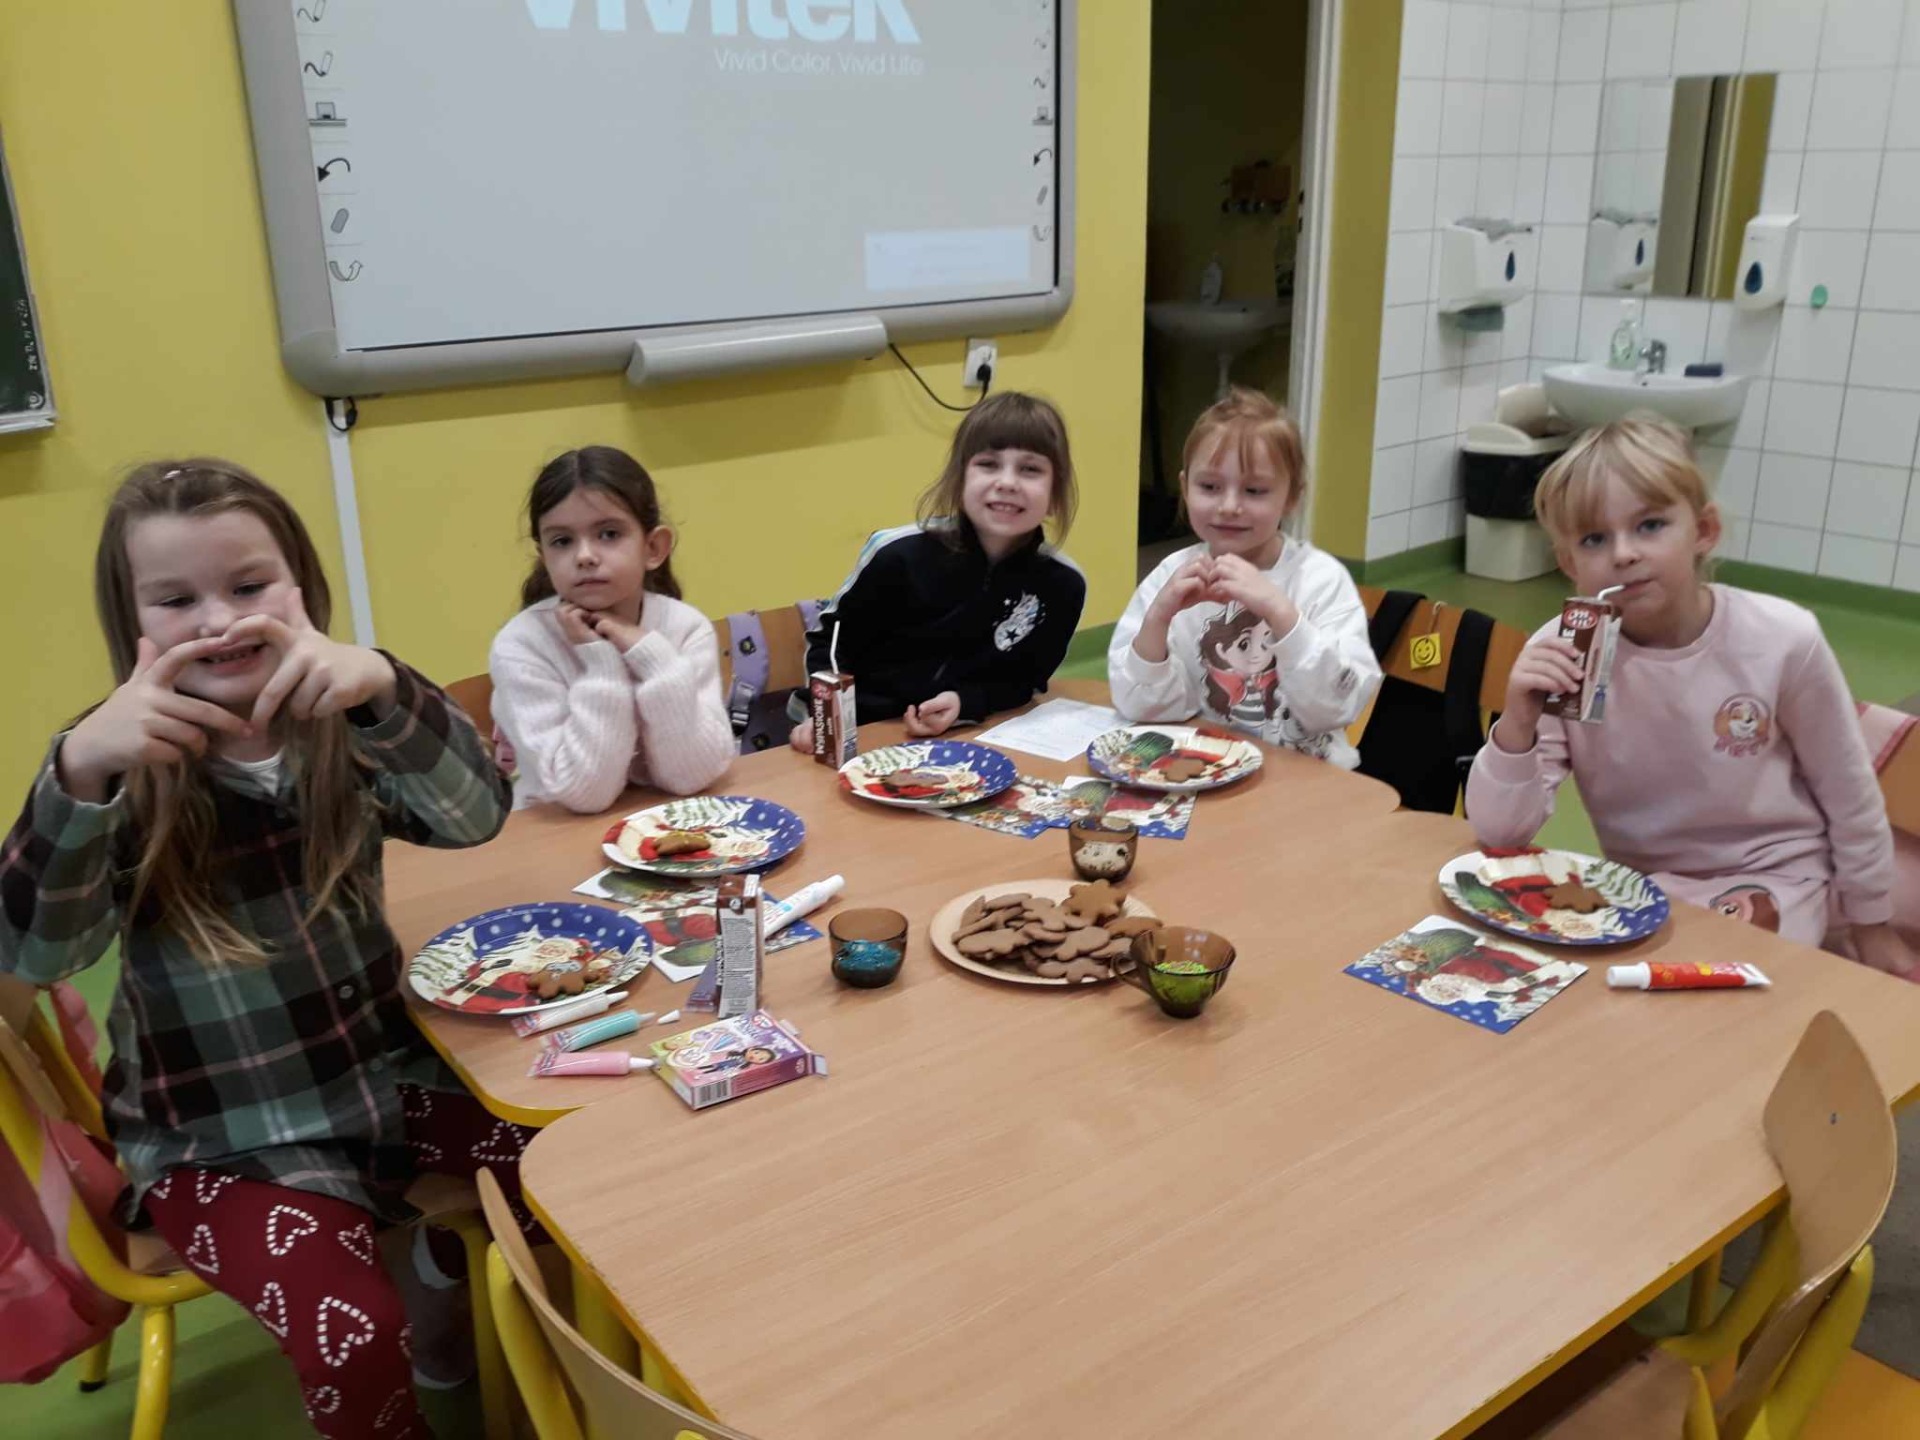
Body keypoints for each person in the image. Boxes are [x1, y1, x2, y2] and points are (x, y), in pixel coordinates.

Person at [0, 460, 527, 1438]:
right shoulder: (113, 765)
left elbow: (474, 816)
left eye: (249, 585)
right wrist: (81, 769)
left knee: (574, 1178)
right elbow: (33, 955)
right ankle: (420, 1295)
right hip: (220, 1142)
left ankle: (463, 1291)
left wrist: (384, 684)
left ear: (301, 590)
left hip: (383, 1087)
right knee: (352, 1337)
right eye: (176, 600)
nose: (219, 621)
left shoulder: (340, 724)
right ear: (132, 622)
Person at [1466, 419, 1913, 978]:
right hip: (1647, 889)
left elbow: (1849, 792)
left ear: (1703, 531)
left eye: (1650, 525)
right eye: (1594, 539)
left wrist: (1872, 924)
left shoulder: (1782, 639)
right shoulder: (1565, 652)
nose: (1624, 553)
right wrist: (1516, 724)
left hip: (1778, 878)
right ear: (1570, 564)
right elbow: (1500, 835)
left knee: (1719, 971)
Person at [789, 391, 1086, 748]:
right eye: (989, 464)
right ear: (960, 480)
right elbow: (831, 641)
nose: (1007, 482)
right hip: (854, 730)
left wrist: (963, 703)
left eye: (1030, 469)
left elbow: (1025, 681)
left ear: (1055, 493)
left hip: (961, 737)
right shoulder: (898, 555)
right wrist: (825, 716)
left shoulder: (1064, 585)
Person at [1108, 387, 1379, 767]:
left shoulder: (1320, 579)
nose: (1229, 506)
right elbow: (1141, 707)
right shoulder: (1173, 574)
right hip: (1211, 773)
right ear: (1185, 488)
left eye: (1254, 490)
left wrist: (1281, 612)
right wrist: (1158, 618)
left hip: (1308, 781)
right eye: (1209, 487)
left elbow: (1337, 707)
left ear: (1292, 497)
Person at [491, 445, 734, 811]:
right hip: (557, 829)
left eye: (608, 534)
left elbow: (692, 777)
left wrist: (654, 659)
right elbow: (585, 795)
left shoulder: (685, 628)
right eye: (562, 541)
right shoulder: (521, 645)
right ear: (544, 558)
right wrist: (602, 666)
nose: (584, 556)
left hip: (663, 820)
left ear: (653, 547)